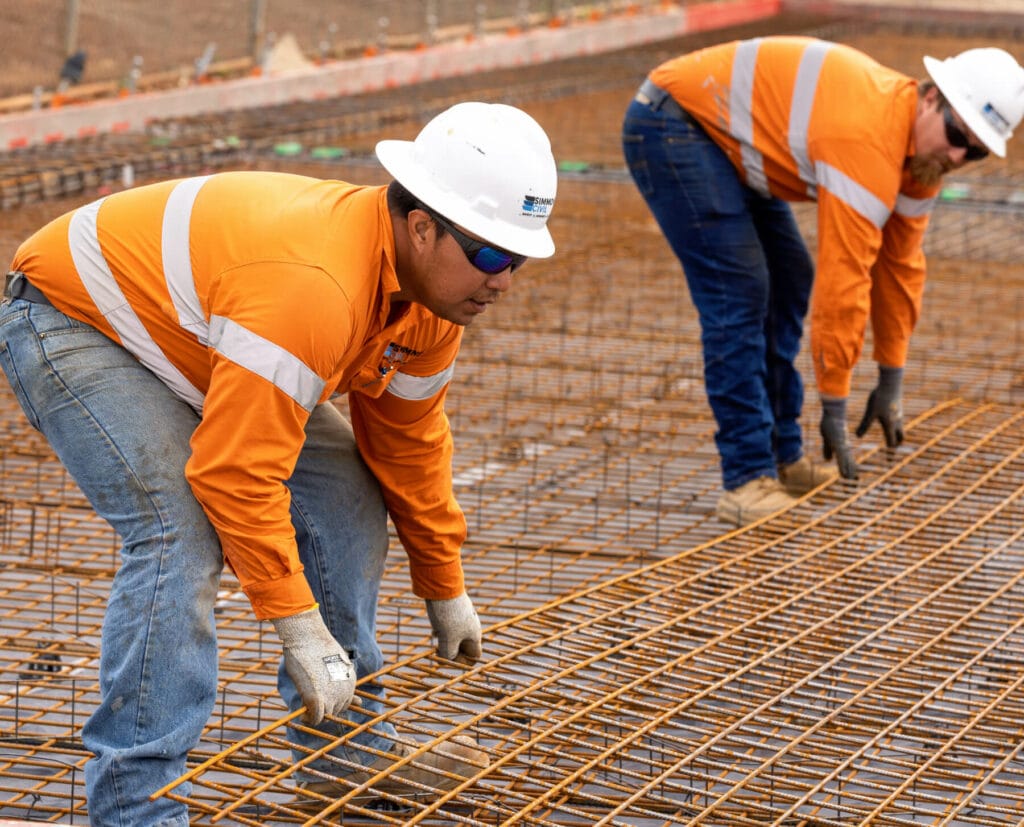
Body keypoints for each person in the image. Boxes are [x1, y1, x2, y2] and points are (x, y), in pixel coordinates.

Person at [0, 101, 557, 824]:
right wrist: (299, 625)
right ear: (422, 226)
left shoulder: (432, 305)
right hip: (77, 317)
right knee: (181, 532)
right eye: (489, 253)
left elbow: (408, 441)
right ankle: (136, 806)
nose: (504, 279)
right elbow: (235, 473)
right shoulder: (317, 286)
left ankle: (345, 757)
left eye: (518, 258)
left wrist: (443, 581)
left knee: (350, 495)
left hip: (207, 338)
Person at [622, 37, 1024, 527]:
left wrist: (890, 377)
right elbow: (846, 279)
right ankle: (746, 478)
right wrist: (835, 402)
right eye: (958, 136)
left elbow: (899, 268)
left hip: (730, 143)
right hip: (674, 124)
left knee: (790, 279)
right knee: (740, 290)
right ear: (931, 97)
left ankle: (783, 458)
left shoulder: (923, 163)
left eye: (976, 153)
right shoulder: (867, 139)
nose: (959, 157)